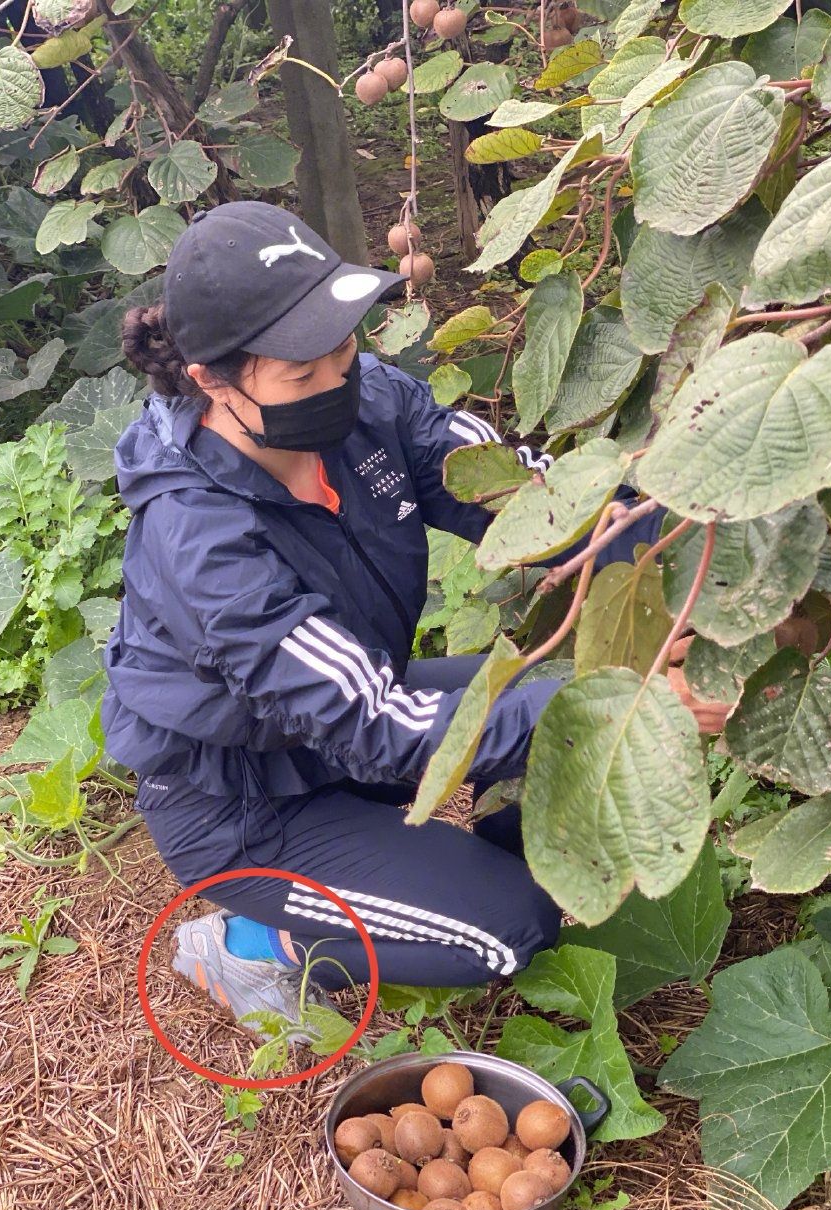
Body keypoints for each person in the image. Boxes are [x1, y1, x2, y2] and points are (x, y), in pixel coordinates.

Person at [101, 202, 703, 1041]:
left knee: (568, 693)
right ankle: (251, 942)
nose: (337, 381)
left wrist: (681, 556)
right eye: (300, 373)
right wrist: (630, 706)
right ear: (211, 380)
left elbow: (533, 499)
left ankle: (439, 863)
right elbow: (373, 723)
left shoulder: (373, 402)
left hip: (341, 719)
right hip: (239, 801)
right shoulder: (199, 540)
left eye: (343, 349)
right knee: (506, 929)